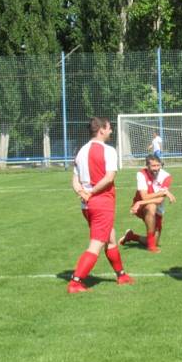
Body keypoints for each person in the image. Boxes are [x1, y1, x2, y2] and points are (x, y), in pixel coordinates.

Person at [67, 117, 134, 293]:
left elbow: (75, 181)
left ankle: (121, 275)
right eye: (109, 128)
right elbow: (109, 177)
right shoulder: (108, 151)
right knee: (96, 244)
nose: (111, 131)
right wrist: (92, 192)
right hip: (102, 202)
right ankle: (76, 282)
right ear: (101, 130)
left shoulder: (81, 151)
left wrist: (83, 193)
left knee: (111, 238)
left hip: (87, 205)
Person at [120, 154, 176, 253]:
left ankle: (131, 236)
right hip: (140, 207)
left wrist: (140, 202)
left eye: (158, 165)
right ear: (147, 166)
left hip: (143, 204)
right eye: (153, 166)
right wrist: (163, 192)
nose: (156, 168)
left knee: (155, 241)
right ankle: (151, 247)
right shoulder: (141, 174)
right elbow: (144, 196)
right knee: (151, 206)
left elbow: (160, 200)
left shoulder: (166, 176)